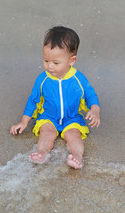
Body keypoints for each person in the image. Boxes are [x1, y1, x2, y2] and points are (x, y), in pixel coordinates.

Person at [10, 26, 100, 169]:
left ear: (71, 60)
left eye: (56, 63)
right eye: (46, 60)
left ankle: (77, 157)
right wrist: (24, 121)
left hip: (72, 118)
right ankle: (42, 154)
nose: (50, 66)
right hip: (48, 117)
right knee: (46, 133)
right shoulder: (42, 79)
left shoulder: (78, 79)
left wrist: (95, 110)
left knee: (74, 135)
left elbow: (90, 95)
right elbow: (33, 100)